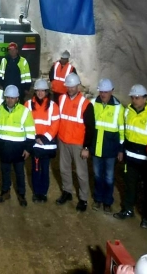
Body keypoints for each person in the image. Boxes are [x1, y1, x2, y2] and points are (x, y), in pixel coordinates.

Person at [115, 85, 147, 229]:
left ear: (144, 98)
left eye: (137, 98)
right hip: (130, 159)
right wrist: (122, 151)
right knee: (130, 186)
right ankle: (128, 209)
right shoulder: (127, 112)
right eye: (133, 97)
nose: (134, 100)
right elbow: (124, 132)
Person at [55, 73, 94, 211]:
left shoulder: (86, 104)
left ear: (78, 86)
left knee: (81, 173)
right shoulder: (61, 99)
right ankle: (67, 192)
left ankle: (83, 199)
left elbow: (90, 128)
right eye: (68, 86)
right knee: (64, 169)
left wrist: (86, 147)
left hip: (78, 144)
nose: (70, 89)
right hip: (63, 141)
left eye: (73, 86)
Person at [0, 85, 35, 206]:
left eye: (12, 98)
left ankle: (21, 194)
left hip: (18, 150)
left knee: (19, 173)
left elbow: (30, 132)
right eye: (8, 97)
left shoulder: (24, 111)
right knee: (5, 171)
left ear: (17, 98)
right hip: (4, 148)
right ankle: (5, 192)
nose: (10, 100)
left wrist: (28, 149)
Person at [91, 78, 124, 213]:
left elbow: (121, 130)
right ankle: (98, 199)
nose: (103, 94)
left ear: (112, 91)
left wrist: (121, 149)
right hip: (96, 147)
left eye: (106, 92)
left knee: (109, 177)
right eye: (101, 91)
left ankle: (107, 201)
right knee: (97, 175)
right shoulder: (93, 103)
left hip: (110, 149)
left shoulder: (118, 107)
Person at [25, 79, 60, 203]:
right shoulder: (28, 104)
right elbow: (25, 123)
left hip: (47, 144)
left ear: (47, 91)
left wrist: (45, 138)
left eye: (43, 91)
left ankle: (43, 193)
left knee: (45, 169)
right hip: (35, 143)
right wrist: (34, 137)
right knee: (35, 169)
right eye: (38, 90)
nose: (40, 93)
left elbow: (55, 124)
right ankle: (36, 192)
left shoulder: (53, 106)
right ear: (35, 91)